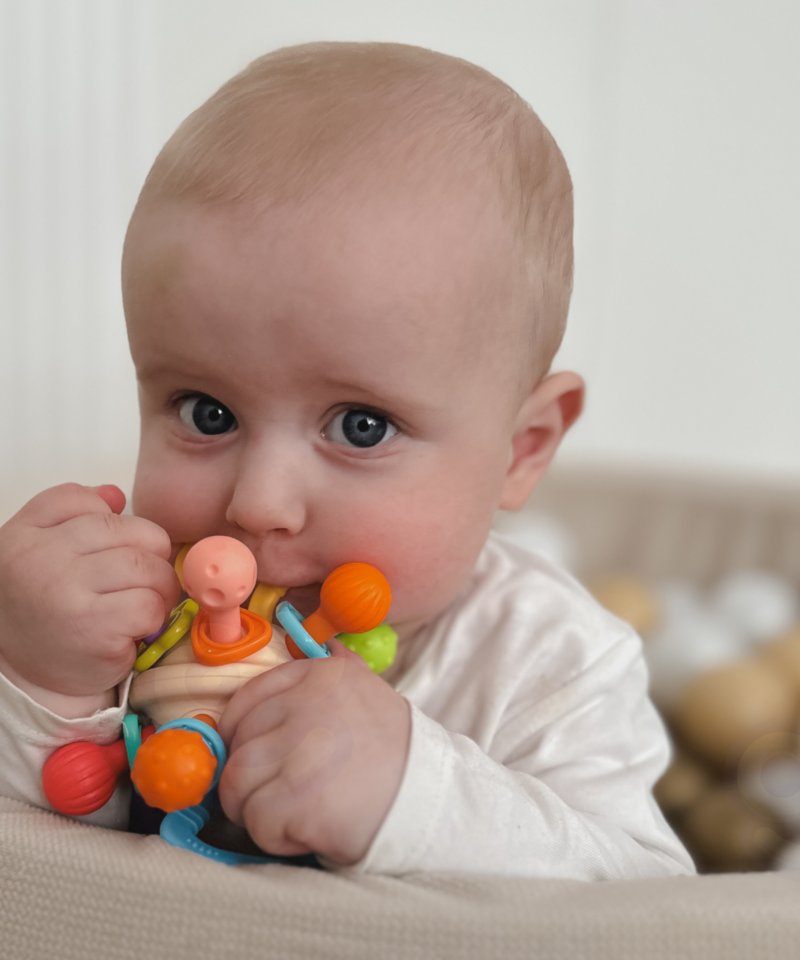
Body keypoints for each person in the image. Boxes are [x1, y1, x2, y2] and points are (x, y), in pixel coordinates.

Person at [0, 42, 693, 877]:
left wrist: (413, 796)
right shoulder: (132, 619)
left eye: (362, 427)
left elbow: (649, 903)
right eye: (206, 412)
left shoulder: (549, 659)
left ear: (523, 448)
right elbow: (46, 874)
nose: (258, 504)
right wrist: (42, 684)